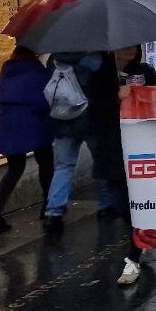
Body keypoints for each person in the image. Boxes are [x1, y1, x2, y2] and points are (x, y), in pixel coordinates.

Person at [83, 46, 156, 286]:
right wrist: (115, 96)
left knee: (135, 201)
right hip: (112, 149)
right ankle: (141, 238)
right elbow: (93, 111)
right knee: (122, 205)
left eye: (133, 49)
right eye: (123, 49)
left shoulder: (144, 71)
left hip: (141, 147)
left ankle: (133, 256)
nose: (129, 53)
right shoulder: (100, 77)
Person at [0, 46, 54, 234]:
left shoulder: (7, 69)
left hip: (9, 125)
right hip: (35, 123)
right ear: (34, 53)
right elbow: (45, 99)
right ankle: (48, 208)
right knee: (46, 164)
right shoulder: (38, 71)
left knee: (15, 168)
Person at [42, 51, 105, 233]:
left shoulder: (54, 60)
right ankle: (106, 205)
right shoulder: (94, 58)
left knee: (63, 166)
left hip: (62, 120)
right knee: (100, 160)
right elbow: (101, 85)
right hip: (90, 118)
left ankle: (54, 212)